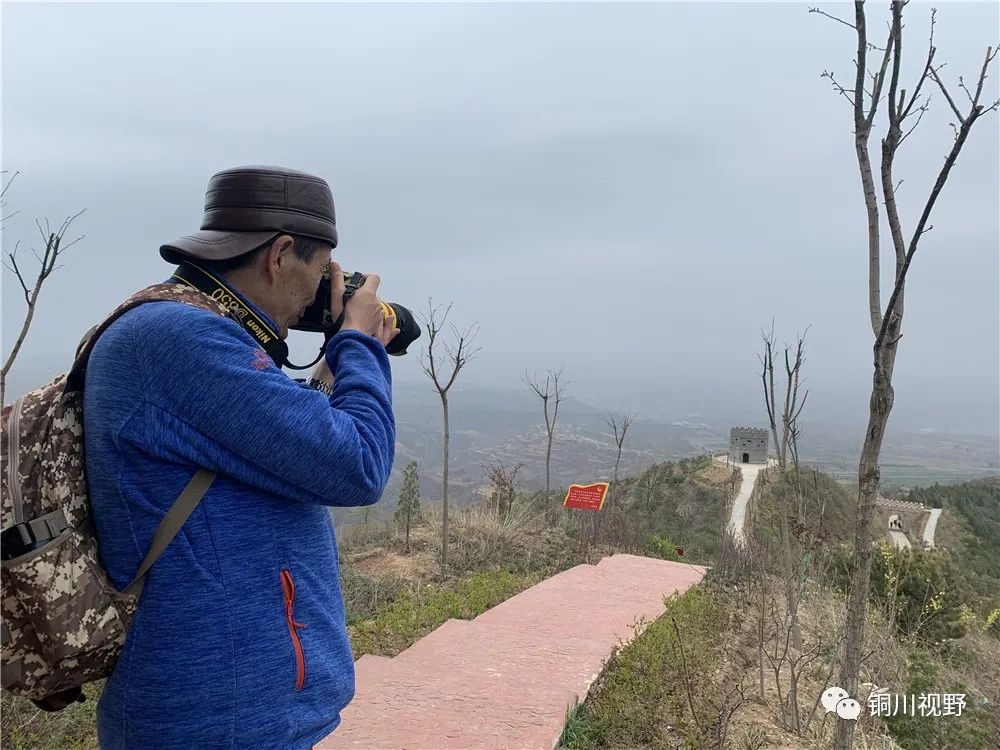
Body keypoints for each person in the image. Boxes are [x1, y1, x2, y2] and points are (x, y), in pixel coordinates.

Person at [83, 166, 397, 749]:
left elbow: (276, 449)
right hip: (217, 717)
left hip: (235, 709)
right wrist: (355, 338)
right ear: (280, 254)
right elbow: (359, 463)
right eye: (320, 268)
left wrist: (332, 366)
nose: (321, 290)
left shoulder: (188, 335)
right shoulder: (179, 338)